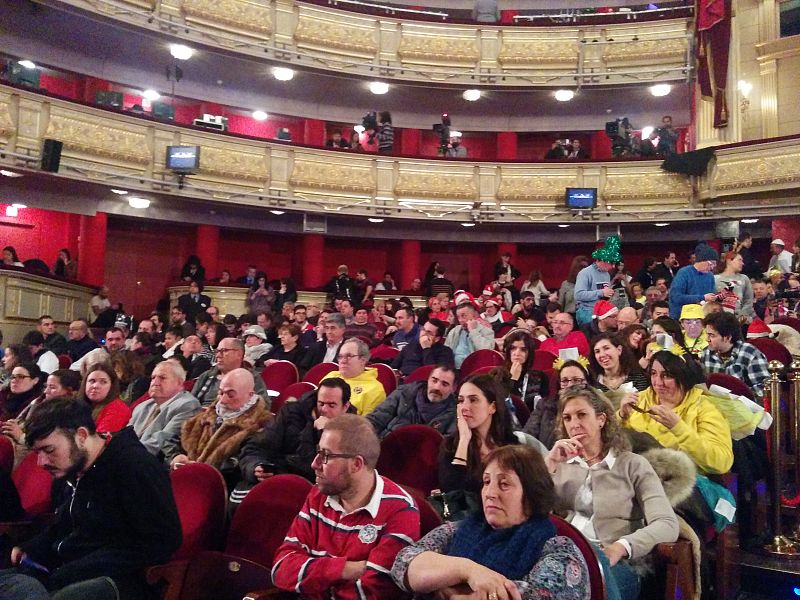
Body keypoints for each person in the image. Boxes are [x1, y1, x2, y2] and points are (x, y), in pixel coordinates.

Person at [0, 398, 181, 600]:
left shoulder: (134, 466)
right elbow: (64, 527)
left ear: (81, 435)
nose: (41, 462)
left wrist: (74, 570)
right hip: (66, 572)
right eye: (37, 452)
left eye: (49, 450)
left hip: (121, 580)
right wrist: (30, 550)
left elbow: (160, 541)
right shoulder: (72, 470)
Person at [393, 444, 590, 600]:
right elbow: (404, 563)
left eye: (504, 484)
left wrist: (443, 589)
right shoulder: (461, 528)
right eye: (486, 482)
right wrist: (467, 570)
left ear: (531, 493)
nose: (490, 493)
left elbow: (516, 595)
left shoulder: (558, 550)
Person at [547, 386, 679, 599]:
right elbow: (528, 512)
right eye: (567, 418)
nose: (574, 424)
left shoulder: (633, 464)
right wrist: (550, 464)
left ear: (601, 419)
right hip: (565, 554)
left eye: (582, 415)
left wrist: (622, 547)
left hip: (617, 561)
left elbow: (667, 524)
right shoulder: (560, 463)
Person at [271, 414, 421, 599]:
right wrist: (345, 569)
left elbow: (374, 592)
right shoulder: (317, 495)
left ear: (356, 464)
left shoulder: (400, 510)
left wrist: (314, 577)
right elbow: (281, 568)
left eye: (325, 455)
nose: (314, 463)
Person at [234, 378, 355, 501]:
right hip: (276, 476)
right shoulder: (291, 413)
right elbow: (256, 447)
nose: (324, 410)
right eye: (321, 403)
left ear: (345, 407)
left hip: (315, 490)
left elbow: (326, 473)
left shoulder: (352, 431)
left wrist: (325, 432)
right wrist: (255, 467)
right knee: (239, 500)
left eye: (331, 405)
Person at [619, 350, 733, 475]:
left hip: (682, 481)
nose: (658, 383)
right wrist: (620, 416)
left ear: (683, 377)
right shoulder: (640, 399)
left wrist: (678, 428)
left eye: (666, 375)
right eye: (653, 373)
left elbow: (721, 463)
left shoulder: (704, 408)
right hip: (636, 473)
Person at [439, 375, 522, 495]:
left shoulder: (511, 444)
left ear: (492, 407)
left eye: (473, 400)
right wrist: (464, 440)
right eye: (461, 401)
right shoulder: (450, 445)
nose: (465, 407)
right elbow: (452, 493)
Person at [172, 368, 271, 469]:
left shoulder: (261, 425)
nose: (222, 400)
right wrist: (176, 456)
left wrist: (202, 469)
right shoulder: (206, 416)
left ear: (250, 395)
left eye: (230, 394)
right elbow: (175, 441)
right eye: (221, 393)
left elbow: (244, 462)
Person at [129, 361, 201, 461]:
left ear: (179, 383)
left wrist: (126, 455)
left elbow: (163, 441)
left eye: (162, 378)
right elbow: (125, 436)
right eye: (153, 378)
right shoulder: (142, 406)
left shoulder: (187, 405)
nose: (155, 382)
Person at [368, 365, 457, 438]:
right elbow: (376, 420)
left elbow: (446, 446)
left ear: (453, 389)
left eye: (444, 384)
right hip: (386, 446)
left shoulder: (455, 412)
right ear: (428, 380)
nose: (437, 387)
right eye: (434, 380)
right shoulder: (403, 393)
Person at [525, 359, 592, 449]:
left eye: (576, 380)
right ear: (559, 384)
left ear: (586, 383)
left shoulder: (596, 405)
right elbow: (527, 437)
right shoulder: (544, 405)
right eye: (565, 381)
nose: (570, 385)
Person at [702, 311, 770, 398]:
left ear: (727, 337)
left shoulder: (750, 353)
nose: (707, 339)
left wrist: (738, 397)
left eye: (712, 335)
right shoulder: (706, 354)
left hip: (745, 407)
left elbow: (764, 388)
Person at [191, 337, 268, 407]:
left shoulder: (252, 377)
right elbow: (191, 403)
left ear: (239, 354)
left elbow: (263, 406)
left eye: (224, 351)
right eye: (217, 351)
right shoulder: (206, 376)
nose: (218, 355)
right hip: (201, 417)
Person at [321, 338, 386, 415]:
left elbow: (366, 424)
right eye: (340, 356)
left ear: (363, 360)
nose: (343, 361)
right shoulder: (331, 376)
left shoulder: (375, 389)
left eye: (349, 356)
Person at [574, 236, 621, 326]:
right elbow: (578, 295)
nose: (613, 267)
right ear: (602, 260)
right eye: (611, 263)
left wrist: (608, 294)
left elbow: (603, 294)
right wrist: (601, 292)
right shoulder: (585, 273)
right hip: (587, 313)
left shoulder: (606, 274)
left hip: (602, 313)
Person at [499, 330, 548, 411]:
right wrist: (513, 380)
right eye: (513, 348)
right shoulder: (497, 375)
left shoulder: (540, 377)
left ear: (529, 353)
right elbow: (502, 406)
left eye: (523, 349)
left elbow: (545, 410)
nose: (517, 353)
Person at [668, 242, 719, 318]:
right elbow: (676, 297)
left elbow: (711, 296)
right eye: (711, 264)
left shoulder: (710, 276)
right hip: (682, 317)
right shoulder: (684, 273)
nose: (712, 268)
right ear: (702, 260)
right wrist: (702, 297)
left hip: (702, 317)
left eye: (714, 265)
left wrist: (717, 297)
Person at [78, 363, 132, 433]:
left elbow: (100, 442)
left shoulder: (118, 409)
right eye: (92, 381)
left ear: (112, 387)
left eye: (103, 382)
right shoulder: (78, 406)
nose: (95, 386)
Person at [444, 302, 495, 369]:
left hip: (476, 370)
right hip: (454, 370)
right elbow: (446, 353)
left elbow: (486, 352)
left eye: (464, 316)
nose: (460, 320)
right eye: (458, 317)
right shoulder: (454, 331)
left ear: (474, 315)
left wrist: (473, 331)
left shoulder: (487, 331)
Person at [715, 251, 754, 322]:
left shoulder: (744, 278)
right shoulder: (715, 279)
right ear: (729, 261)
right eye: (740, 260)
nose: (742, 263)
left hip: (741, 320)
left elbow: (749, 300)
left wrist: (742, 315)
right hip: (720, 320)